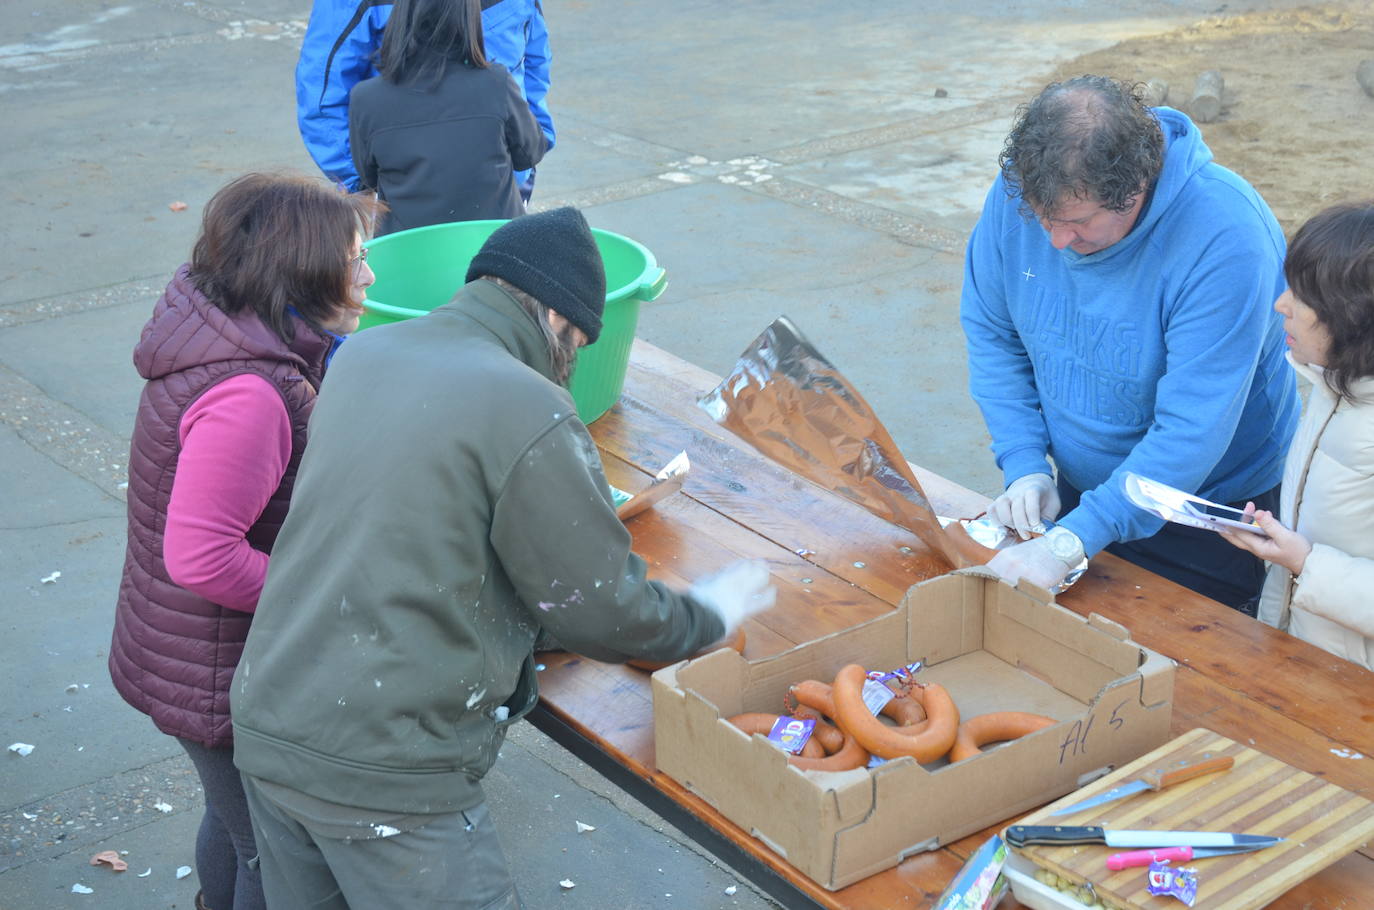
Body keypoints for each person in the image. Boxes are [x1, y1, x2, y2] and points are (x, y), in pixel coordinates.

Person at [229, 207, 776, 909]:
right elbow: (601, 609)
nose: (570, 361)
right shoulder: (528, 405)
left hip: (271, 717)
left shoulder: (364, 354)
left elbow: (415, 525)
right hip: (385, 762)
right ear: (554, 319)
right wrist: (701, 617)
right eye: (576, 342)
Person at [108, 173, 382, 910]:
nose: (369, 275)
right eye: (355, 259)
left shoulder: (225, 336)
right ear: (301, 269)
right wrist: (320, 595)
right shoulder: (251, 393)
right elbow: (200, 556)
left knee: (234, 826)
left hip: (186, 649)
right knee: (271, 850)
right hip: (215, 667)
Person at [960, 75, 1300, 610]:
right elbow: (993, 334)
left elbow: (1193, 426)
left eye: (1077, 223)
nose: (1054, 241)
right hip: (1085, 494)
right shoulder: (1023, 191)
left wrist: (1076, 538)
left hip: (1209, 511)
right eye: (1041, 217)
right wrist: (1024, 462)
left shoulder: (1227, 238)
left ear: (1134, 189)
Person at [1218, 202, 1374, 670]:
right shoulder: (1335, 384)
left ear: (1354, 317)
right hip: (1305, 655)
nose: (1280, 304)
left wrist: (1305, 561)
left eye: (1302, 297)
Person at [296, 0, 553, 202]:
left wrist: (533, 144)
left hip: (505, 185)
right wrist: (363, 185)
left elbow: (534, 56)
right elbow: (322, 92)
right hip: (405, 194)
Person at [349, 0, 547, 234]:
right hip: (493, 248)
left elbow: (368, 175)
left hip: (408, 249)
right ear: (468, 21)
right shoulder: (496, 83)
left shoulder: (365, 98)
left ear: (399, 20)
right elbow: (530, 153)